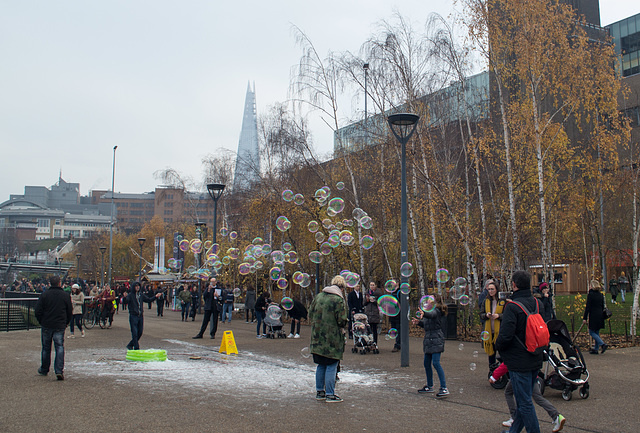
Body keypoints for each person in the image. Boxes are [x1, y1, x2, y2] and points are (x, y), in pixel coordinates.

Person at [495, 270, 544, 433]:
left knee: (524, 403)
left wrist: (498, 346)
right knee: (525, 400)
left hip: (519, 361)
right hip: (535, 356)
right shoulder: (538, 304)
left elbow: (505, 336)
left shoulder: (512, 307)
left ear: (514, 285)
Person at [491, 362, 566, 432]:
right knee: (537, 397)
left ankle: (514, 417)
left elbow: (509, 361)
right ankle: (556, 416)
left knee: (517, 398)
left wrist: (495, 375)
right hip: (532, 372)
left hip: (520, 373)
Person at [309, 275, 348, 403]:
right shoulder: (338, 300)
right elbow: (341, 320)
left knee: (321, 364)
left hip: (317, 337)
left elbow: (310, 313)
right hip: (332, 339)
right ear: (341, 288)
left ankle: (320, 391)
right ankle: (330, 394)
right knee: (331, 364)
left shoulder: (318, 296)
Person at [35, 275, 73, 380]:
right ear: (59, 283)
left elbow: (38, 310)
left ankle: (44, 369)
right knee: (59, 347)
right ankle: (59, 370)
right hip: (59, 324)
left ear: (50, 284)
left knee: (46, 348)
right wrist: (66, 322)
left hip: (47, 324)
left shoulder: (45, 295)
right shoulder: (65, 295)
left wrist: (41, 321)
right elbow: (69, 310)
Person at [413, 294, 449, 398]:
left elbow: (431, 315)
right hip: (429, 340)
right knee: (426, 363)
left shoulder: (436, 311)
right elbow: (426, 324)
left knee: (436, 363)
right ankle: (429, 386)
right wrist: (419, 322)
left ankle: (444, 388)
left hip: (436, 339)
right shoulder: (429, 312)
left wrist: (424, 314)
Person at [126, 281, 160, 350]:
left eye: (138, 286)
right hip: (133, 316)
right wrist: (124, 297)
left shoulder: (141, 295)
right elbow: (125, 301)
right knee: (134, 333)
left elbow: (148, 300)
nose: (137, 287)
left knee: (140, 332)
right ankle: (136, 348)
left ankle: (130, 345)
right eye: (136, 286)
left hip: (140, 316)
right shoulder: (130, 295)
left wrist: (155, 297)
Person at [479, 279, 506, 366]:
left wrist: (499, 316)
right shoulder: (486, 301)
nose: (490, 291)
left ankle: (502, 373)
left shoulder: (502, 301)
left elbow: (507, 315)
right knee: (491, 354)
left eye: (492, 289)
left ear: (497, 290)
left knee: (502, 354)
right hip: (490, 331)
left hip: (500, 331)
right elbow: (481, 314)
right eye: (489, 289)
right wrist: (486, 315)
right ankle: (492, 371)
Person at [583, 280, 607, 354]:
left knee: (591, 332)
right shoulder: (601, 295)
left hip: (593, 315)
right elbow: (603, 306)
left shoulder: (591, 295)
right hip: (600, 314)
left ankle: (602, 344)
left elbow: (588, 307)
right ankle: (596, 349)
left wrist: (585, 317)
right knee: (596, 331)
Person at [364, 282, 382, 346]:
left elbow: (380, 303)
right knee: (368, 329)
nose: (372, 286)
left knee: (374, 329)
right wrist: (367, 299)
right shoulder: (367, 293)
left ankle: (375, 343)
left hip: (375, 313)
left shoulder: (378, 293)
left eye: (373, 285)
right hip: (368, 313)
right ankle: (369, 342)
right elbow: (364, 303)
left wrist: (374, 301)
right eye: (371, 285)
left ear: (375, 286)